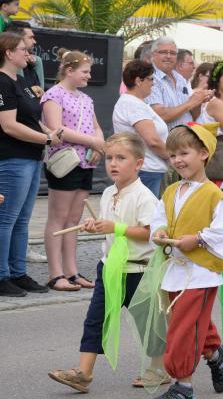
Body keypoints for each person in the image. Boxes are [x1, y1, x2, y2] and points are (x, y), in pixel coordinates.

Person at [47, 133, 159, 393]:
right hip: (109, 267)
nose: (113, 164)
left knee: (147, 323)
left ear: (139, 163)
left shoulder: (144, 196)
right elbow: (108, 226)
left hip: (138, 270)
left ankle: (158, 369)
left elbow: (149, 233)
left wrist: (116, 227)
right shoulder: (108, 192)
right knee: (95, 319)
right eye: (109, 158)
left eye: (121, 158)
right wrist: (94, 225)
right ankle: (83, 373)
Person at [142, 124, 223, 399]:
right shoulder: (171, 191)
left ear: (203, 154)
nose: (178, 160)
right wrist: (157, 233)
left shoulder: (213, 194)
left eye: (184, 153)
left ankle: (183, 386)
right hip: (175, 270)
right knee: (192, 321)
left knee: (184, 327)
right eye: (173, 155)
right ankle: (215, 352)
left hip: (201, 272)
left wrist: (197, 238)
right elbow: (159, 219)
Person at [0, 31, 60, 297]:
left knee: (22, 220)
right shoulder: (2, 82)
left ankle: (17, 272)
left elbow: (32, 118)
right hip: (13, 158)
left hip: (31, 158)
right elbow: (9, 125)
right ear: (8, 53)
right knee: (7, 219)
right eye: (22, 49)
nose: (28, 53)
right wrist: (46, 139)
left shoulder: (22, 81)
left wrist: (50, 133)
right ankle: (2, 275)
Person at [41, 50, 106, 291]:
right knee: (58, 218)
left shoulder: (86, 99)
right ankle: (55, 272)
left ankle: (71, 270)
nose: (88, 76)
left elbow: (97, 127)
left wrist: (99, 142)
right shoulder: (53, 96)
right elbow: (57, 130)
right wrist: (93, 142)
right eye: (85, 72)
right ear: (69, 71)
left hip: (85, 162)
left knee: (73, 219)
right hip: (64, 162)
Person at [112, 60, 170, 196]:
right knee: (144, 215)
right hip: (146, 171)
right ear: (139, 81)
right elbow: (153, 141)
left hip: (147, 169)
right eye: (151, 79)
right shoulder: (133, 104)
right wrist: (172, 157)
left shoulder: (136, 103)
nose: (153, 83)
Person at [144, 37, 210, 129]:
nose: (168, 56)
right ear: (153, 55)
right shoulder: (150, 78)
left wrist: (199, 100)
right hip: (166, 141)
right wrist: (190, 103)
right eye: (163, 52)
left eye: (173, 53)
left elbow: (193, 115)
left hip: (186, 138)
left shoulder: (180, 79)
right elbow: (160, 115)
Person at [6, 19, 45, 90]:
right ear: (17, 39)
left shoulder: (33, 62)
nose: (34, 41)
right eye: (30, 38)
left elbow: (40, 95)